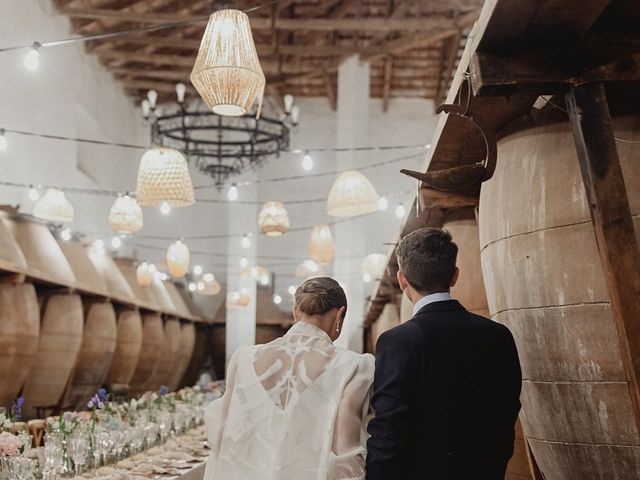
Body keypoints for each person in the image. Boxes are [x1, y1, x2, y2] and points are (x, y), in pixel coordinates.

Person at [366, 228, 522, 480]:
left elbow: (389, 431)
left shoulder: (397, 342)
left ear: (402, 280)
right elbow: (506, 416)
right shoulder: (498, 335)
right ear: (454, 276)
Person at [204, 277, 375, 480]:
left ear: (295, 311)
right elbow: (346, 454)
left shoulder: (243, 358)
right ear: (340, 314)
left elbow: (222, 436)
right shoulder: (354, 366)